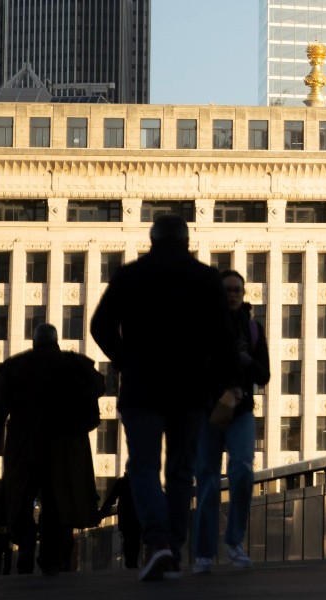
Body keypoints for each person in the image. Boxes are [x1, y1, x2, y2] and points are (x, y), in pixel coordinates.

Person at [91, 213, 239, 581]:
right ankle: (173, 546)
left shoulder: (129, 275)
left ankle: (156, 542)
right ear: (186, 240)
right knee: (180, 471)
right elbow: (224, 340)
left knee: (142, 467)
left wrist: (126, 360)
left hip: (142, 387)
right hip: (190, 390)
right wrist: (223, 384)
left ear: (152, 240)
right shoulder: (206, 278)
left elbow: (99, 326)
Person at [0, 323, 105, 575]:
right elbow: (98, 387)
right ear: (56, 340)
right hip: (63, 450)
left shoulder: (16, 366)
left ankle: (26, 545)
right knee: (56, 504)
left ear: (35, 342)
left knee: (21, 500)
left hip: (24, 448)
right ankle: (49, 559)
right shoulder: (73, 364)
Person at [191, 269, 269, 574]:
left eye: (237, 289)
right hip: (208, 414)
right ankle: (204, 553)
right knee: (207, 482)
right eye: (227, 290)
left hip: (241, 411)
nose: (233, 294)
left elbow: (264, 375)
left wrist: (246, 361)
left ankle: (234, 541)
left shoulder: (252, 330)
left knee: (242, 473)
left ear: (244, 293)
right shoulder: (202, 328)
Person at [97, 477, 141, 569]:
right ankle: (133, 566)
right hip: (138, 519)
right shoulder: (142, 479)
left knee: (128, 544)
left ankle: (130, 566)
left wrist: (101, 514)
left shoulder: (121, 482)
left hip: (126, 520)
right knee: (136, 544)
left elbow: (110, 500)